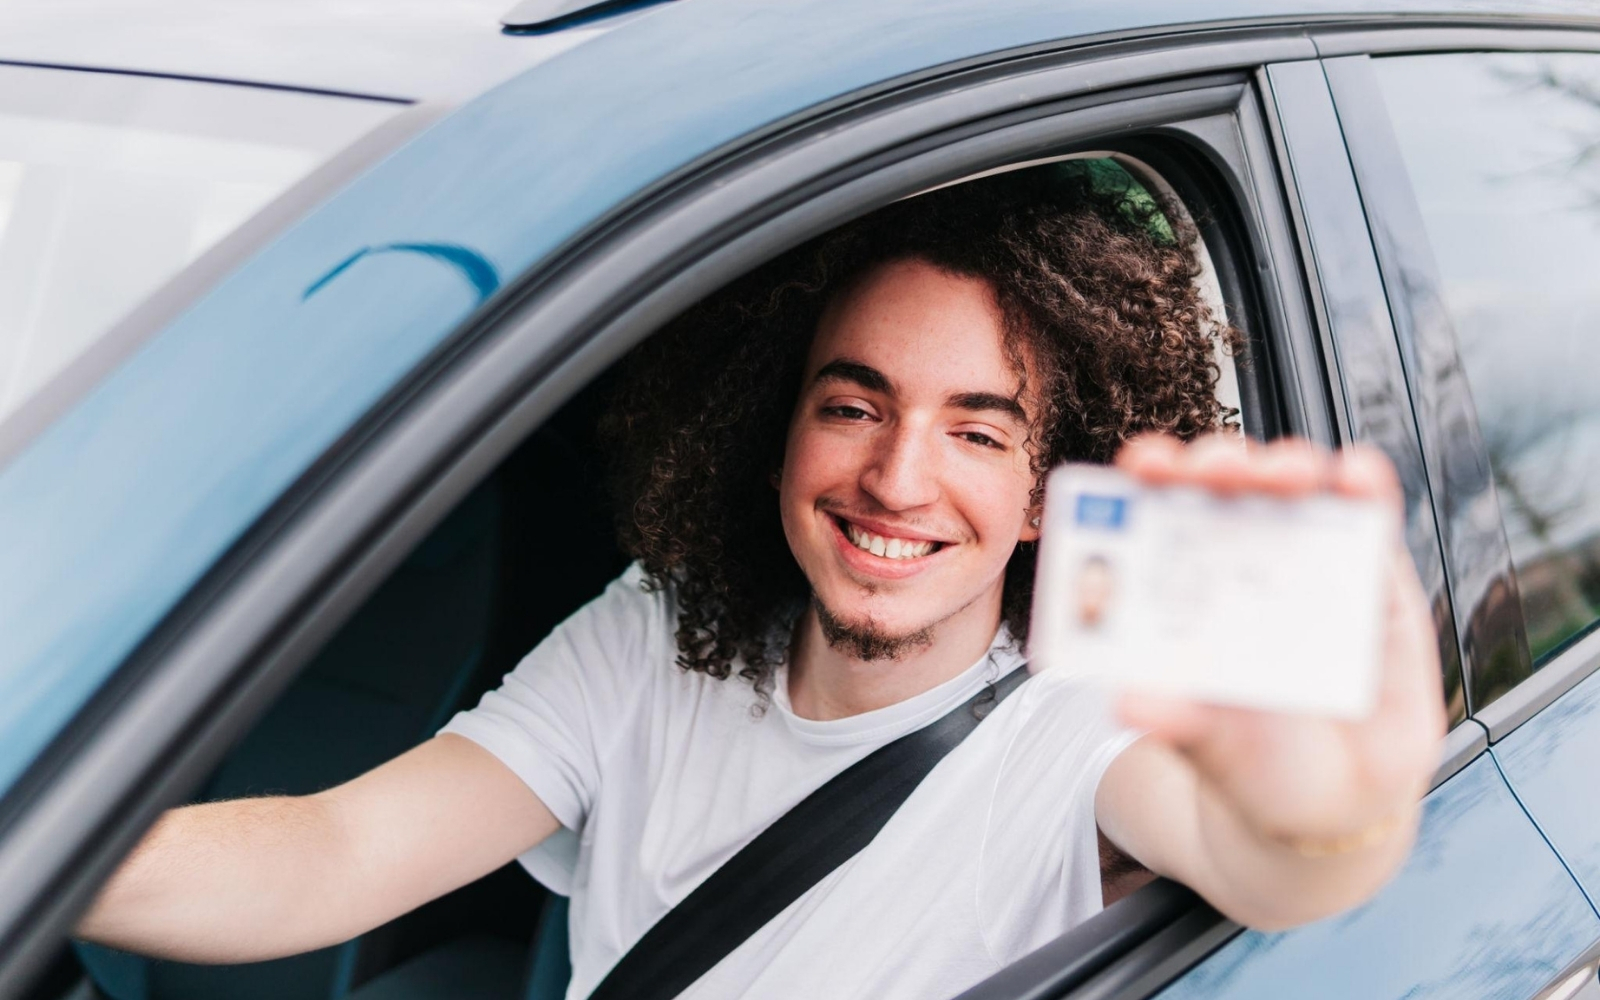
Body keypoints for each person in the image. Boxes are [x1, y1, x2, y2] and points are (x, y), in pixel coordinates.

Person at [74, 164, 1445, 999]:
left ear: (1045, 492)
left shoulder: (1079, 723)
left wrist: (1338, 815)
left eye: (977, 433)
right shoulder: (660, 634)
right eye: (854, 407)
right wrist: (45, 850)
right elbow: (333, 855)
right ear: (776, 429)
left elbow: (1270, 864)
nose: (897, 478)